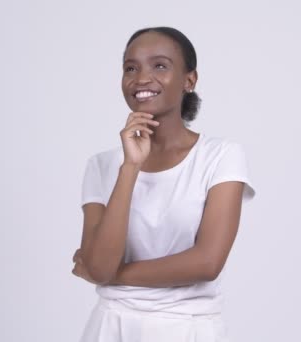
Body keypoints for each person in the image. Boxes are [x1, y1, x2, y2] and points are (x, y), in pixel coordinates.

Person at [72, 26, 257, 342]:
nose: (141, 78)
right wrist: (130, 167)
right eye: (131, 67)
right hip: (110, 328)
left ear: (189, 79)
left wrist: (108, 274)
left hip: (188, 328)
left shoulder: (220, 156)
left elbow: (207, 262)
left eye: (159, 65)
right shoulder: (102, 165)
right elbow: (100, 264)